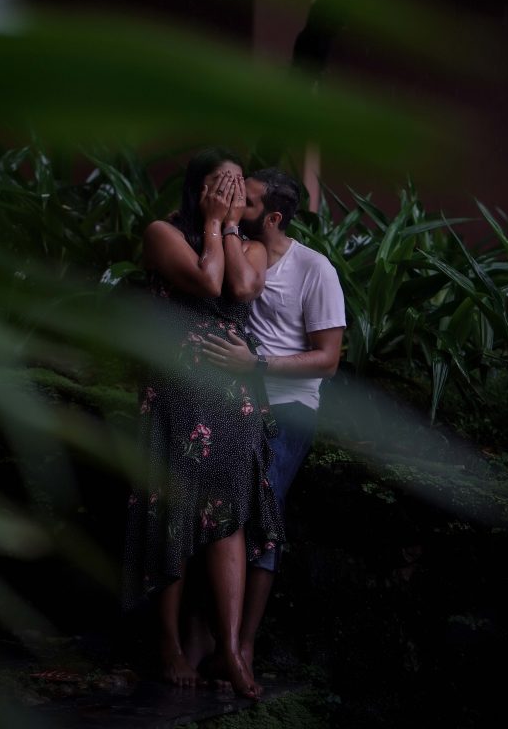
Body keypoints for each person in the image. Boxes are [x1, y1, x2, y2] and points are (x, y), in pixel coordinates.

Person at [122, 149, 284, 700]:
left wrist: (230, 226)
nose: (235, 193)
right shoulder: (162, 233)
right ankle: (168, 643)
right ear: (198, 187)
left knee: (229, 520)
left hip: (232, 398)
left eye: (241, 186)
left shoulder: (254, 245)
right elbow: (209, 282)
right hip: (176, 390)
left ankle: (233, 651)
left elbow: (240, 288)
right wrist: (213, 224)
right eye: (224, 184)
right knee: (173, 510)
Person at [202, 167, 345, 675]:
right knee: (217, 511)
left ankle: (243, 645)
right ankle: (214, 638)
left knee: (263, 516)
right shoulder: (237, 247)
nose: (239, 201)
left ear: (275, 217)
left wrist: (257, 365)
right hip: (230, 399)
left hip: (287, 408)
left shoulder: (315, 270)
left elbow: (328, 359)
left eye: (251, 200)